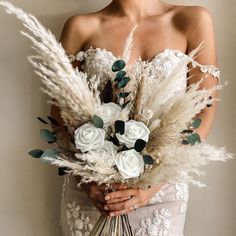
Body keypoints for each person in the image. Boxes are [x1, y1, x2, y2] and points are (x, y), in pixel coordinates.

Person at [51, 0, 220, 235]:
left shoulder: (191, 20)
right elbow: (60, 115)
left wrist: (155, 181)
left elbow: (204, 111)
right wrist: (88, 179)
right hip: (93, 193)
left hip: (162, 192)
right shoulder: (81, 26)